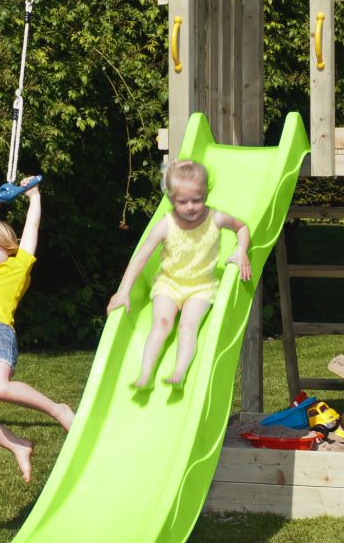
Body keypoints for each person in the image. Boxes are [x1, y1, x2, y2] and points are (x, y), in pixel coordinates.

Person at [0, 182, 74, 482]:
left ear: (6, 246)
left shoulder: (17, 266)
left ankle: (58, 410)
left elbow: (31, 228)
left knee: (0, 387)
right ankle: (18, 445)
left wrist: (34, 197)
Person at [106, 159, 252, 389]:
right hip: (169, 284)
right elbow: (140, 258)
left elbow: (241, 227)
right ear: (172, 198)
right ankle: (146, 373)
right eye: (183, 201)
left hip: (201, 287)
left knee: (187, 326)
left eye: (197, 199)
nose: (191, 206)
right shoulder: (165, 225)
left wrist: (241, 251)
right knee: (161, 324)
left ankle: (180, 371)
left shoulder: (215, 218)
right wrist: (123, 291)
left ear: (206, 194)